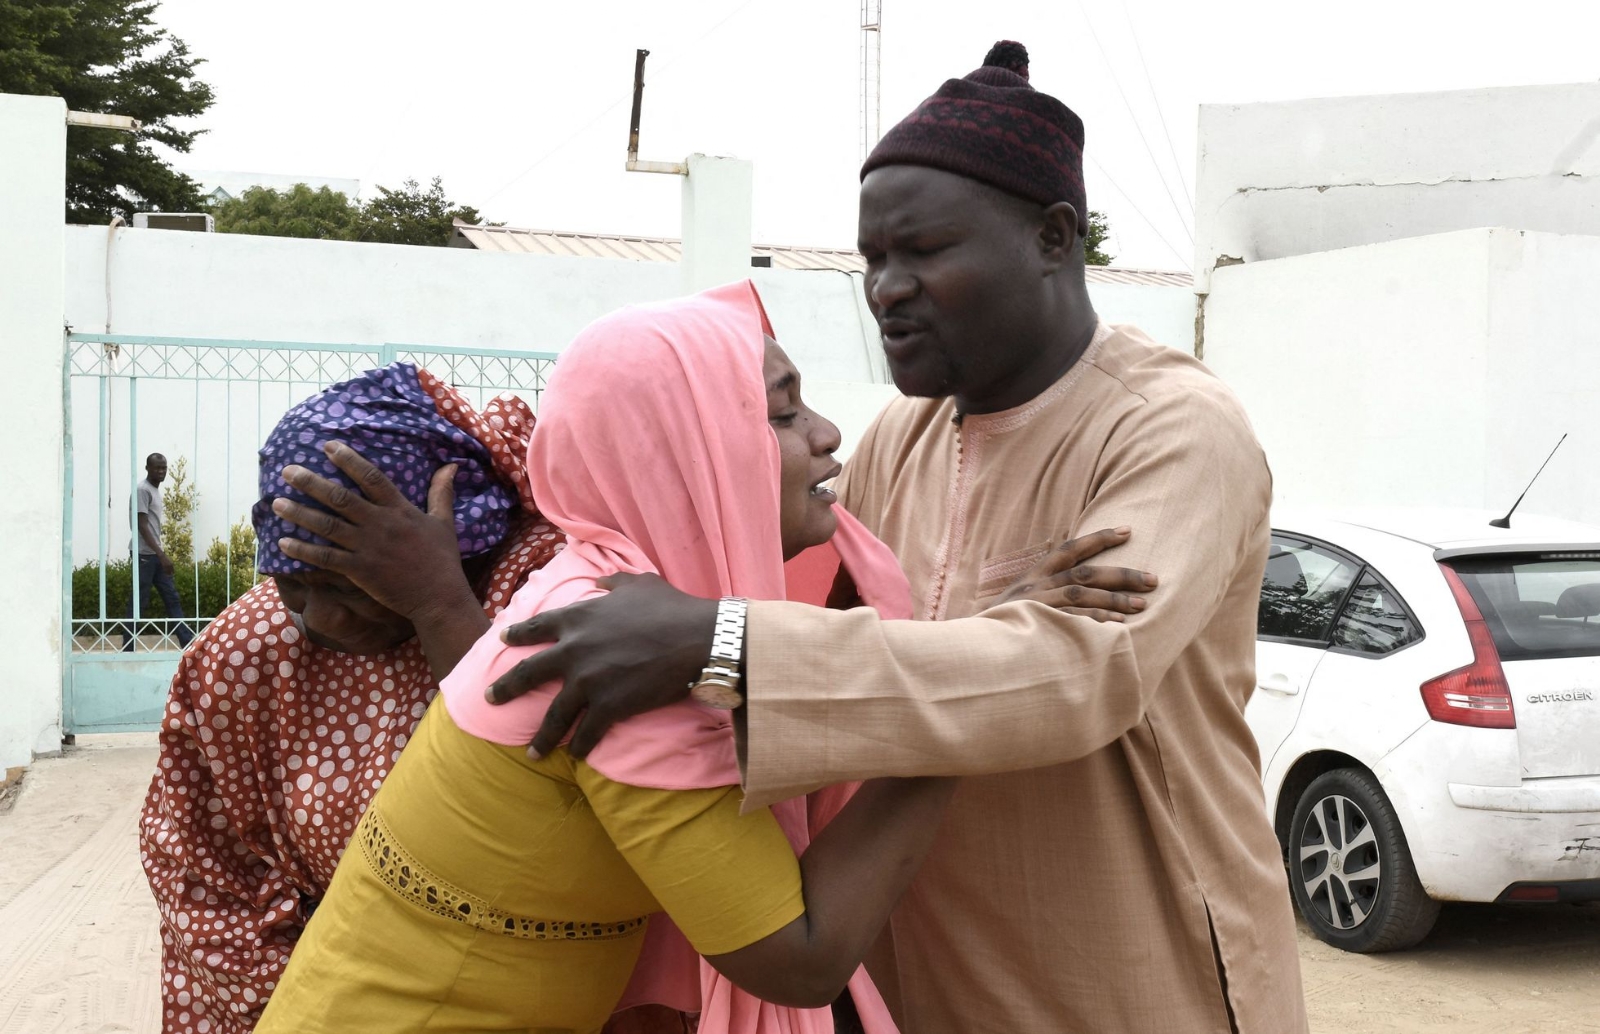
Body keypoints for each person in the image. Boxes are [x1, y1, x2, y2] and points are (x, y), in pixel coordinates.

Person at [484, 42, 1310, 1034]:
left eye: (922, 251)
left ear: (1052, 236)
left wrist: (724, 640)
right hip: (910, 977)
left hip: (1129, 971)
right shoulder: (900, 438)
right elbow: (820, 633)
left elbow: (1075, 673)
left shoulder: (1168, 429)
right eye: (873, 258)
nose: (885, 287)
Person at [251, 283, 1148, 1034]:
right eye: (785, 412)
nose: (829, 434)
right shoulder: (617, 656)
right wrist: (968, 705)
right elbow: (799, 958)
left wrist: (969, 644)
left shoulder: (607, 593)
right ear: (689, 453)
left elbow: (781, 684)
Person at [137, 363, 567, 1034]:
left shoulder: (539, 601)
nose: (320, 620)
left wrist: (439, 608)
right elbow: (196, 866)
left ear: (461, 547)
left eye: (349, 586)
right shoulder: (246, 652)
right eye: (295, 584)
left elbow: (569, 802)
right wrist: (312, 1005)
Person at [122, 452, 194, 650]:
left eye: (163, 468)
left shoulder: (154, 491)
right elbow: (142, 525)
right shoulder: (142, 490)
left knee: (171, 597)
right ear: (147, 468)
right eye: (157, 467)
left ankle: (187, 643)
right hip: (144, 555)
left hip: (155, 555)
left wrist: (160, 554)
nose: (161, 471)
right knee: (139, 600)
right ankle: (128, 647)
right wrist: (162, 555)